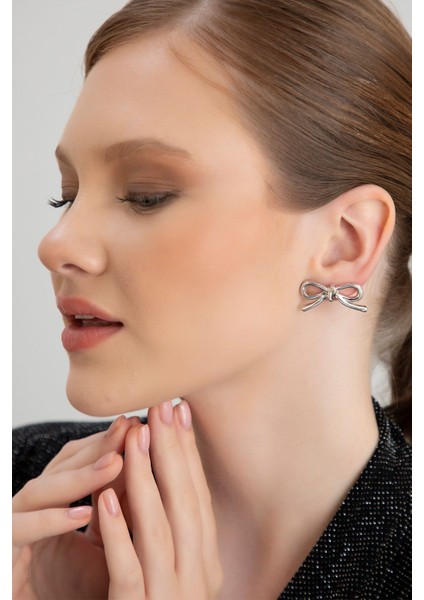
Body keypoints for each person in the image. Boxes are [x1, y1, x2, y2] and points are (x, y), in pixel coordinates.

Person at [12, 0, 411, 598]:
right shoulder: (23, 497)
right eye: (66, 196)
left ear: (344, 241)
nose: (56, 244)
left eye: (146, 194)